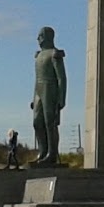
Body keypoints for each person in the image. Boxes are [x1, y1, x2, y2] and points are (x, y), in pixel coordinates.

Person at [31, 26, 67, 166]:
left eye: (40, 36)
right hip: (39, 90)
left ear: (48, 37)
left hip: (50, 89)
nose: (38, 39)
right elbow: (37, 78)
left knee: (49, 122)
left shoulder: (54, 54)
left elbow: (62, 78)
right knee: (37, 122)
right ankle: (43, 151)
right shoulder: (38, 55)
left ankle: (51, 154)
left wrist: (61, 98)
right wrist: (34, 97)